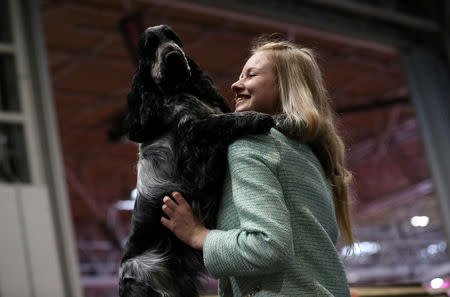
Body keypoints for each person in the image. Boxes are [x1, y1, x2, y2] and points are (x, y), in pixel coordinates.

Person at [160, 39, 354, 296]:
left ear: (284, 86)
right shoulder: (312, 158)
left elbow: (269, 246)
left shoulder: (252, 144)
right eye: (240, 75)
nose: (235, 84)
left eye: (251, 75)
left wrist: (198, 235)